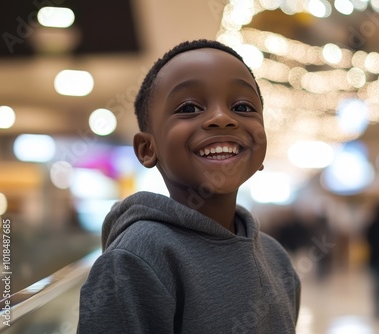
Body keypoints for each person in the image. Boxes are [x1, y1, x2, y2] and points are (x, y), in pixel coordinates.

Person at [77, 39, 300, 333]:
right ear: (147, 148)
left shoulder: (275, 257)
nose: (222, 118)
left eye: (242, 106)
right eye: (189, 107)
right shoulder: (136, 258)